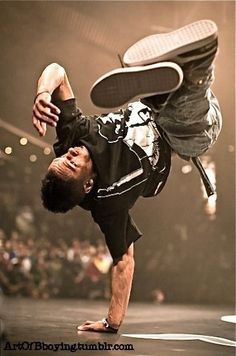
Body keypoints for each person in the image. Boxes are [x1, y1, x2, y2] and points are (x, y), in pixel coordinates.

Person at [32, 20, 222, 333]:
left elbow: (58, 72)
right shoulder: (108, 204)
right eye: (71, 163)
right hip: (184, 136)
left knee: (152, 85)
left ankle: (164, 73)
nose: (68, 153)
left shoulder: (71, 137)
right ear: (89, 184)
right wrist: (112, 322)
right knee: (184, 117)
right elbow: (123, 262)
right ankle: (197, 65)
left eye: (60, 158)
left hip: (153, 104)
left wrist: (42, 93)